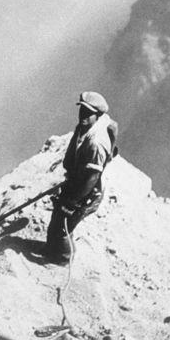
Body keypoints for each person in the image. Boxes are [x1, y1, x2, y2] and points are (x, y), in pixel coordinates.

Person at [44, 91, 118, 264]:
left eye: (88, 112)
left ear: (98, 115)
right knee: (57, 217)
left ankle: (63, 259)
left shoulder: (96, 143)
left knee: (63, 227)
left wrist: (72, 202)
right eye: (82, 110)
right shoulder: (86, 125)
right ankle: (50, 250)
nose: (83, 115)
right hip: (77, 182)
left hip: (88, 192)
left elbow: (92, 177)